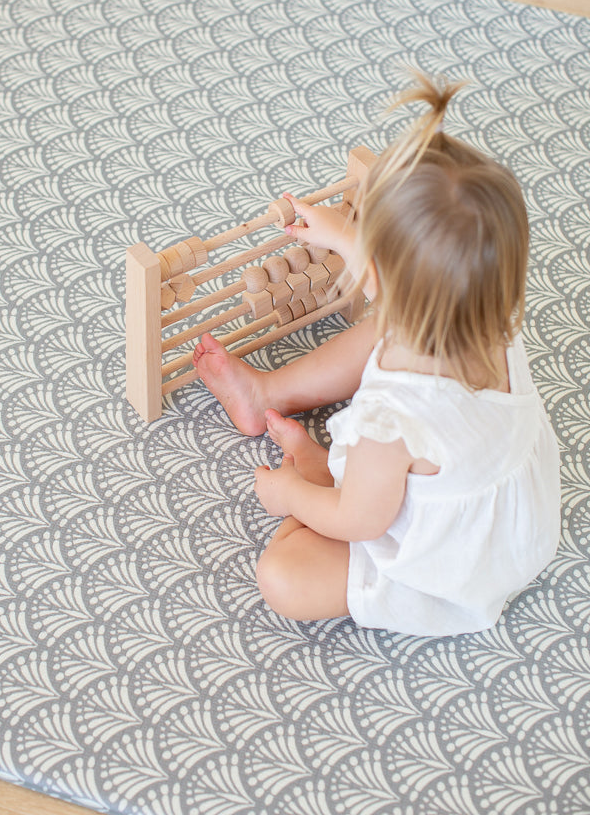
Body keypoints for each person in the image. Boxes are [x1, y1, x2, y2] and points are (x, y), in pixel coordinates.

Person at [192, 74, 560, 637]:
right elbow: (414, 280)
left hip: (447, 564)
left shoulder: (389, 419)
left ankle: (318, 471)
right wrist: (343, 235)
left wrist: (290, 491)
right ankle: (265, 396)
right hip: (513, 529)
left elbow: (362, 522)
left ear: (382, 275)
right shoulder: (487, 322)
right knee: (381, 337)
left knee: (282, 576)